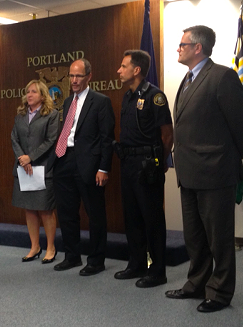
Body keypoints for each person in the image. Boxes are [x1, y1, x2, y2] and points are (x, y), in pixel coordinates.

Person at [165, 26, 243, 312]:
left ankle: (220, 292)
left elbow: (241, 124)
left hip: (215, 172)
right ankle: (196, 283)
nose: (178, 48)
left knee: (219, 238)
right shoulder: (188, 79)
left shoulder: (222, 76)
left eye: (182, 44)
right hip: (188, 172)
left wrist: (228, 159)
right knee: (195, 237)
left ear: (197, 48)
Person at [114, 50, 173, 288]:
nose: (119, 70)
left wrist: (159, 163)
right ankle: (136, 263)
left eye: (123, 66)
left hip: (147, 165)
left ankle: (157, 271)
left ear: (136, 70)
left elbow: (167, 135)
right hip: (128, 164)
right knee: (132, 217)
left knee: (152, 219)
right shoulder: (128, 96)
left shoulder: (155, 96)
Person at [51, 59, 115, 276]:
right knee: (67, 213)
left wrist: (104, 168)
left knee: (95, 214)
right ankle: (72, 256)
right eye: (71, 76)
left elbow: (107, 138)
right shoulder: (68, 102)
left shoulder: (101, 102)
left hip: (89, 165)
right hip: (64, 161)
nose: (74, 80)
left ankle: (96, 261)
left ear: (89, 76)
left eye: (78, 76)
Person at [11, 80, 59, 263]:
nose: (29, 95)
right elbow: (14, 138)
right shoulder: (20, 115)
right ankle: (34, 247)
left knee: (45, 210)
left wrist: (31, 157)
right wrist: (22, 159)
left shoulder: (52, 115)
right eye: (27, 91)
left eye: (33, 92)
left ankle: (51, 248)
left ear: (42, 95)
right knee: (29, 210)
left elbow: (51, 140)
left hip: (43, 168)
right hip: (23, 168)